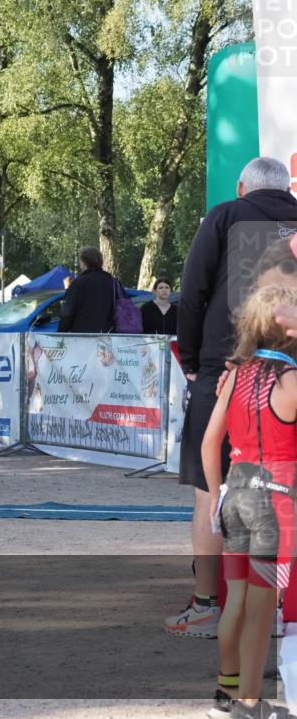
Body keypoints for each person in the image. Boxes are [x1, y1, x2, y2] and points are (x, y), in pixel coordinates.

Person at [169, 157, 297, 638]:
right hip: (291, 375)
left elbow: (192, 291)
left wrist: (194, 360)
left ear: (243, 186)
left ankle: (206, 605)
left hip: (227, 371)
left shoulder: (224, 215)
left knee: (211, 487)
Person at [202, 285, 297, 719]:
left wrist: (212, 497)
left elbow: (209, 443)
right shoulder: (291, 381)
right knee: (262, 612)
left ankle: (228, 693)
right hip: (274, 506)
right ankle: (251, 705)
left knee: (236, 600)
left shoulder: (236, 375)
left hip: (233, 495)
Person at [57, 247, 121, 333]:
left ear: (84, 263)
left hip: (82, 337)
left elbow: (67, 313)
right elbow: (125, 307)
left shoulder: (78, 283)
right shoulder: (114, 282)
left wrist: (61, 333)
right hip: (109, 337)